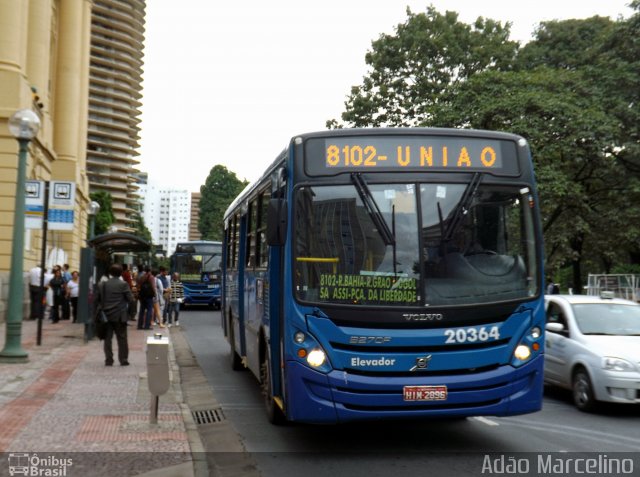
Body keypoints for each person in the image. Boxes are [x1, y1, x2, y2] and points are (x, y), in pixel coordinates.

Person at [94, 263, 135, 366]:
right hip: (120, 316)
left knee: (107, 339)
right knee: (122, 339)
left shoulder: (103, 284)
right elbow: (131, 300)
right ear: (121, 273)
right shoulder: (123, 284)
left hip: (106, 316)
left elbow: (97, 300)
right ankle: (123, 359)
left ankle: (109, 360)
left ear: (110, 273)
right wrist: (131, 314)